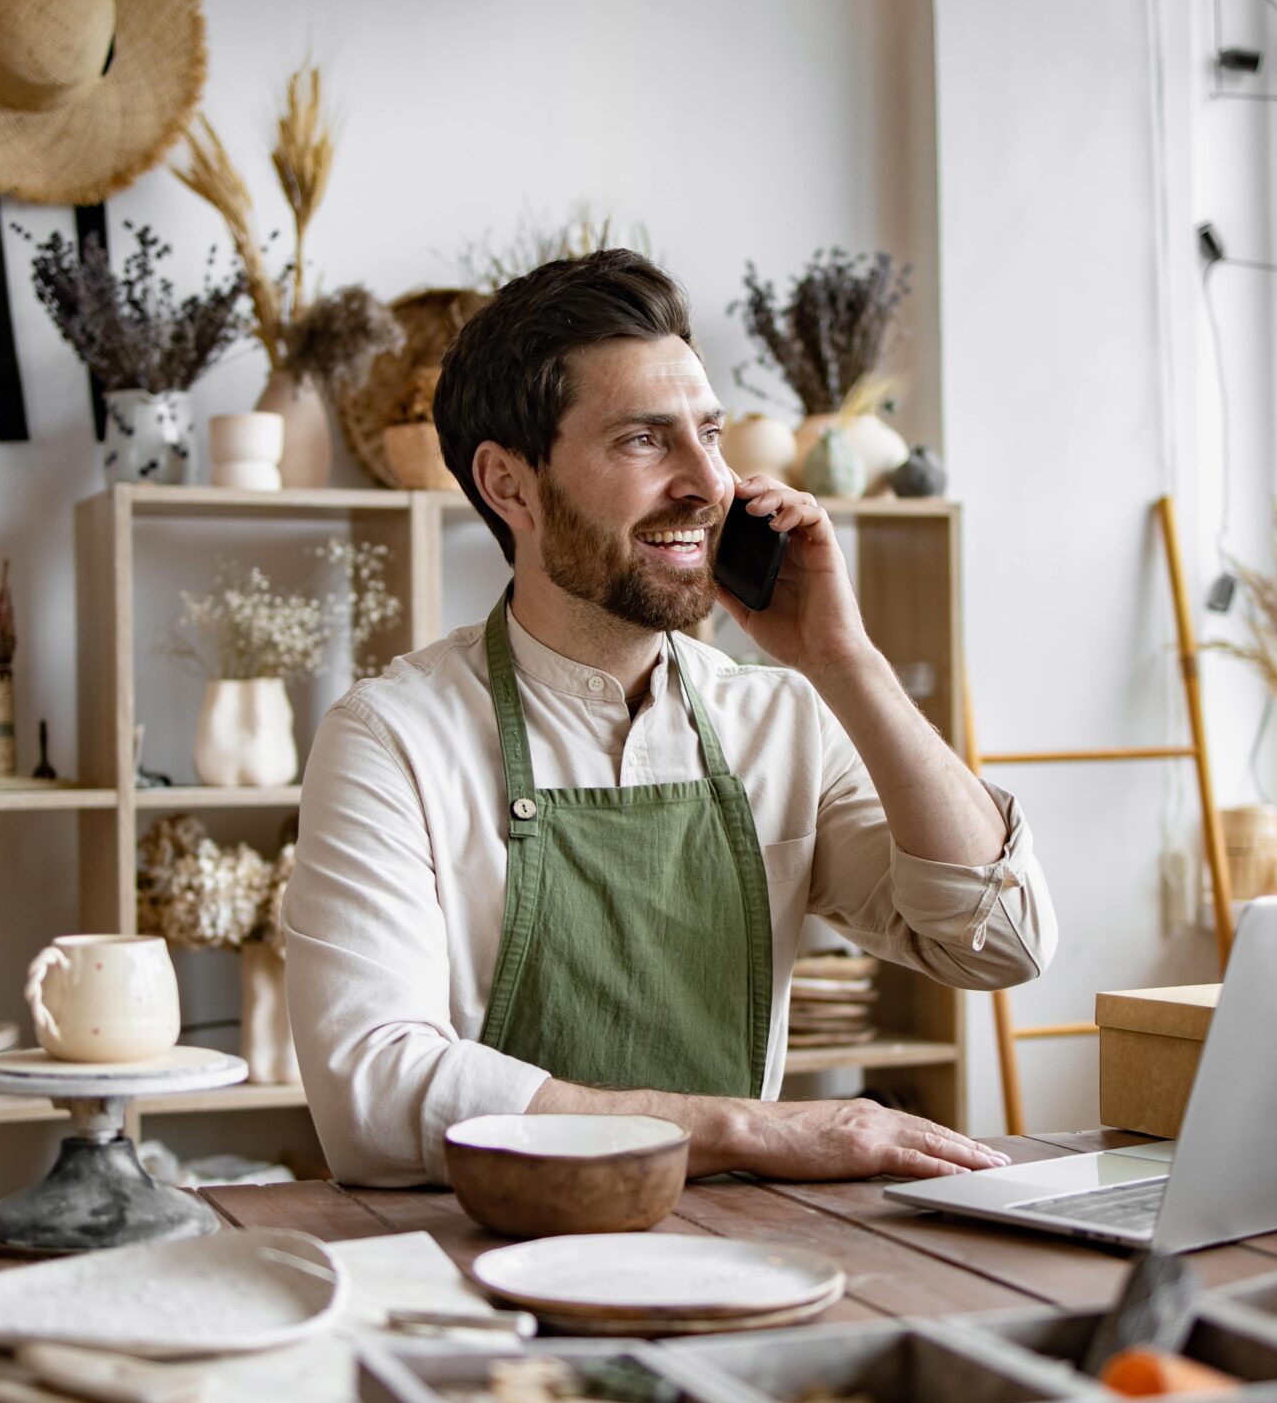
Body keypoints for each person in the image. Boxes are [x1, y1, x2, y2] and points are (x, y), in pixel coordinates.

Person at [283, 250, 1055, 1186]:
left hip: (741, 1256)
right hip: (485, 1269)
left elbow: (999, 943)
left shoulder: (783, 718)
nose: (710, 483)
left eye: (712, 434)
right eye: (646, 440)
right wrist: (749, 1130)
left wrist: (845, 661)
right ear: (509, 484)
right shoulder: (392, 738)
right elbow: (375, 1092)